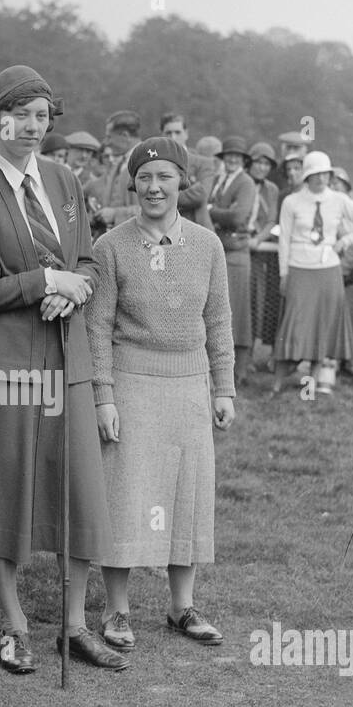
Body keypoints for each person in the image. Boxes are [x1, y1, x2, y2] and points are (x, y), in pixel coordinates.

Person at [0, 64, 125, 673]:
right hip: (3, 363)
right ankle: (14, 622)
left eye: (42, 115)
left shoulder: (63, 179)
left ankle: (74, 625)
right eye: (20, 114)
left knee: (77, 487)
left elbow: (87, 261)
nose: (31, 126)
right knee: (4, 485)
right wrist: (37, 283)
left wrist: (71, 289)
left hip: (66, 352)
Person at [86, 136, 235, 651]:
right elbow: (97, 327)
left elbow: (218, 320)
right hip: (131, 383)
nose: (154, 187)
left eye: (165, 178)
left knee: (186, 491)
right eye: (145, 178)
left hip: (190, 385)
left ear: (181, 183)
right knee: (127, 493)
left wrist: (225, 388)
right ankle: (117, 611)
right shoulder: (110, 246)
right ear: (133, 183)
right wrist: (104, 396)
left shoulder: (207, 245)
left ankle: (181, 606)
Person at [272, 151, 353, 395]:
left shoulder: (339, 200)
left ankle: (314, 382)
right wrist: (284, 273)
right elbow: (284, 240)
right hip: (299, 268)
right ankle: (278, 380)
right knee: (294, 324)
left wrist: (345, 241)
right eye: (314, 175)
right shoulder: (292, 202)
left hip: (328, 269)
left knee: (323, 326)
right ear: (306, 177)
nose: (320, 179)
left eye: (325, 174)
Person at [206, 135, 256, 378]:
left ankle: (240, 371)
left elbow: (238, 217)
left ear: (244, 160)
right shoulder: (219, 180)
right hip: (220, 251)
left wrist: (210, 212)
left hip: (236, 253)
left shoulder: (245, 183)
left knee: (236, 310)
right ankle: (220, 369)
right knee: (218, 309)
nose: (232, 159)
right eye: (229, 156)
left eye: (237, 156)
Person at [246, 141, 282, 368]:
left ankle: (248, 356)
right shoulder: (241, 182)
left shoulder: (272, 190)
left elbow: (271, 221)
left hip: (260, 252)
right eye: (258, 162)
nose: (261, 167)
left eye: (266, 164)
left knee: (256, 301)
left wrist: (258, 239)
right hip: (238, 244)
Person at [86, 110, 141, 234]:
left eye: (109, 137)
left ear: (125, 136)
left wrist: (115, 214)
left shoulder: (146, 164)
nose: (107, 142)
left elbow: (153, 209)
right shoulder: (119, 163)